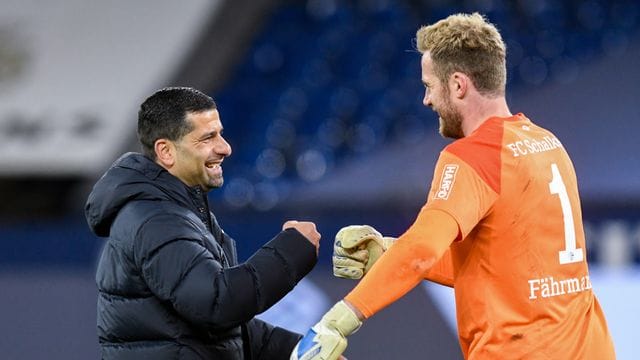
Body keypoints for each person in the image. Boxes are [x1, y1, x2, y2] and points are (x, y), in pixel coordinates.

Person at [291, 13, 615, 360]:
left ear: (458, 84)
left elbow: (421, 248)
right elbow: (500, 269)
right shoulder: (547, 143)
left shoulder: (474, 156)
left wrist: (338, 321)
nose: (426, 100)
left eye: (429, 86)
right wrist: (388, 253)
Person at [85, 87, 321, 359]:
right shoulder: (155, 219)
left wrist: (301, 351)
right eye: (208, 138)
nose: (225, 148)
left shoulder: (177, 212)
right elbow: (217, 304)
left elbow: (218, 332)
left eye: (220, 134)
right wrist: (293, 249)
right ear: (166, 151)